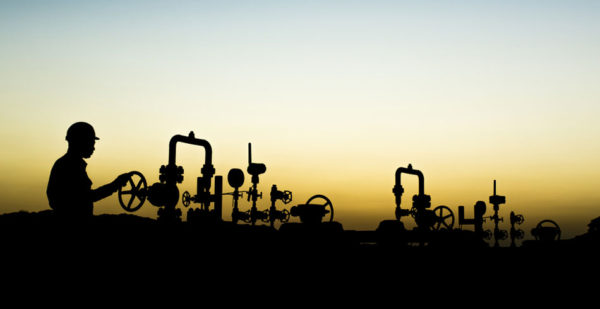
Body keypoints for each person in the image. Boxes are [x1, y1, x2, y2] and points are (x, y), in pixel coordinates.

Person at [47, 122, 130, 219]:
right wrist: (116, 184)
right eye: (91, 143)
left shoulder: (64, 163)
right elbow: (87, 197)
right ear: (81, 142)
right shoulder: (70, 166)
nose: (93, 148)